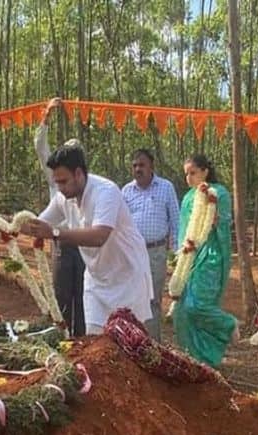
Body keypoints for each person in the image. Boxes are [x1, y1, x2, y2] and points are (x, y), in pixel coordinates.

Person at [21, 142, 153, 335]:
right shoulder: (62, 198)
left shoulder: (106, 191)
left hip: (127, 278)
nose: (60, 188)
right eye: (57, 182)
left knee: (129, 345)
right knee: (94, 343)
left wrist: (55, 233)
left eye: (64, 182)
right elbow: (37, 225)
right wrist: (4, 224)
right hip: (96, 280)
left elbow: (99, 236)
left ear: (79, 174)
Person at [169, 155, 237, 367]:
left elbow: (223, 223)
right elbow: (184, 231)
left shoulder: (219, 193)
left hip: (210, 256)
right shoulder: (189, 197)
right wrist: (180, 257)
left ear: (205, 171)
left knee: (196, 306)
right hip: (190, 258)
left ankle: (228, 324)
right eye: (186, 174)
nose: (188, 178)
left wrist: (211, 211)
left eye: (193, 173)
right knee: (181, 312)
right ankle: (199, 360)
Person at [35, 98, 86, 336]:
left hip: (84, 243)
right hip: (60, 242)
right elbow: (40, 145)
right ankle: (63, 339)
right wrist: (46, 116)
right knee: (61, 294)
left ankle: (83, 341)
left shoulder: (87, 183)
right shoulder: (54, 173)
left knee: (84, 293)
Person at [122, 148, 180, 340]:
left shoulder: (166, 187)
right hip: (133, 254)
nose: (138, 169)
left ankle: (153, 349)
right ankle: (135, 345)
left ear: (151, 167)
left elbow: (176, 221)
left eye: (142, 165)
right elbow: (121, 224)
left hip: (156, 252)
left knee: (153, 300)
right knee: (132, 299)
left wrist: (177, 253)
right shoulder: (126, 191)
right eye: (135, 165)